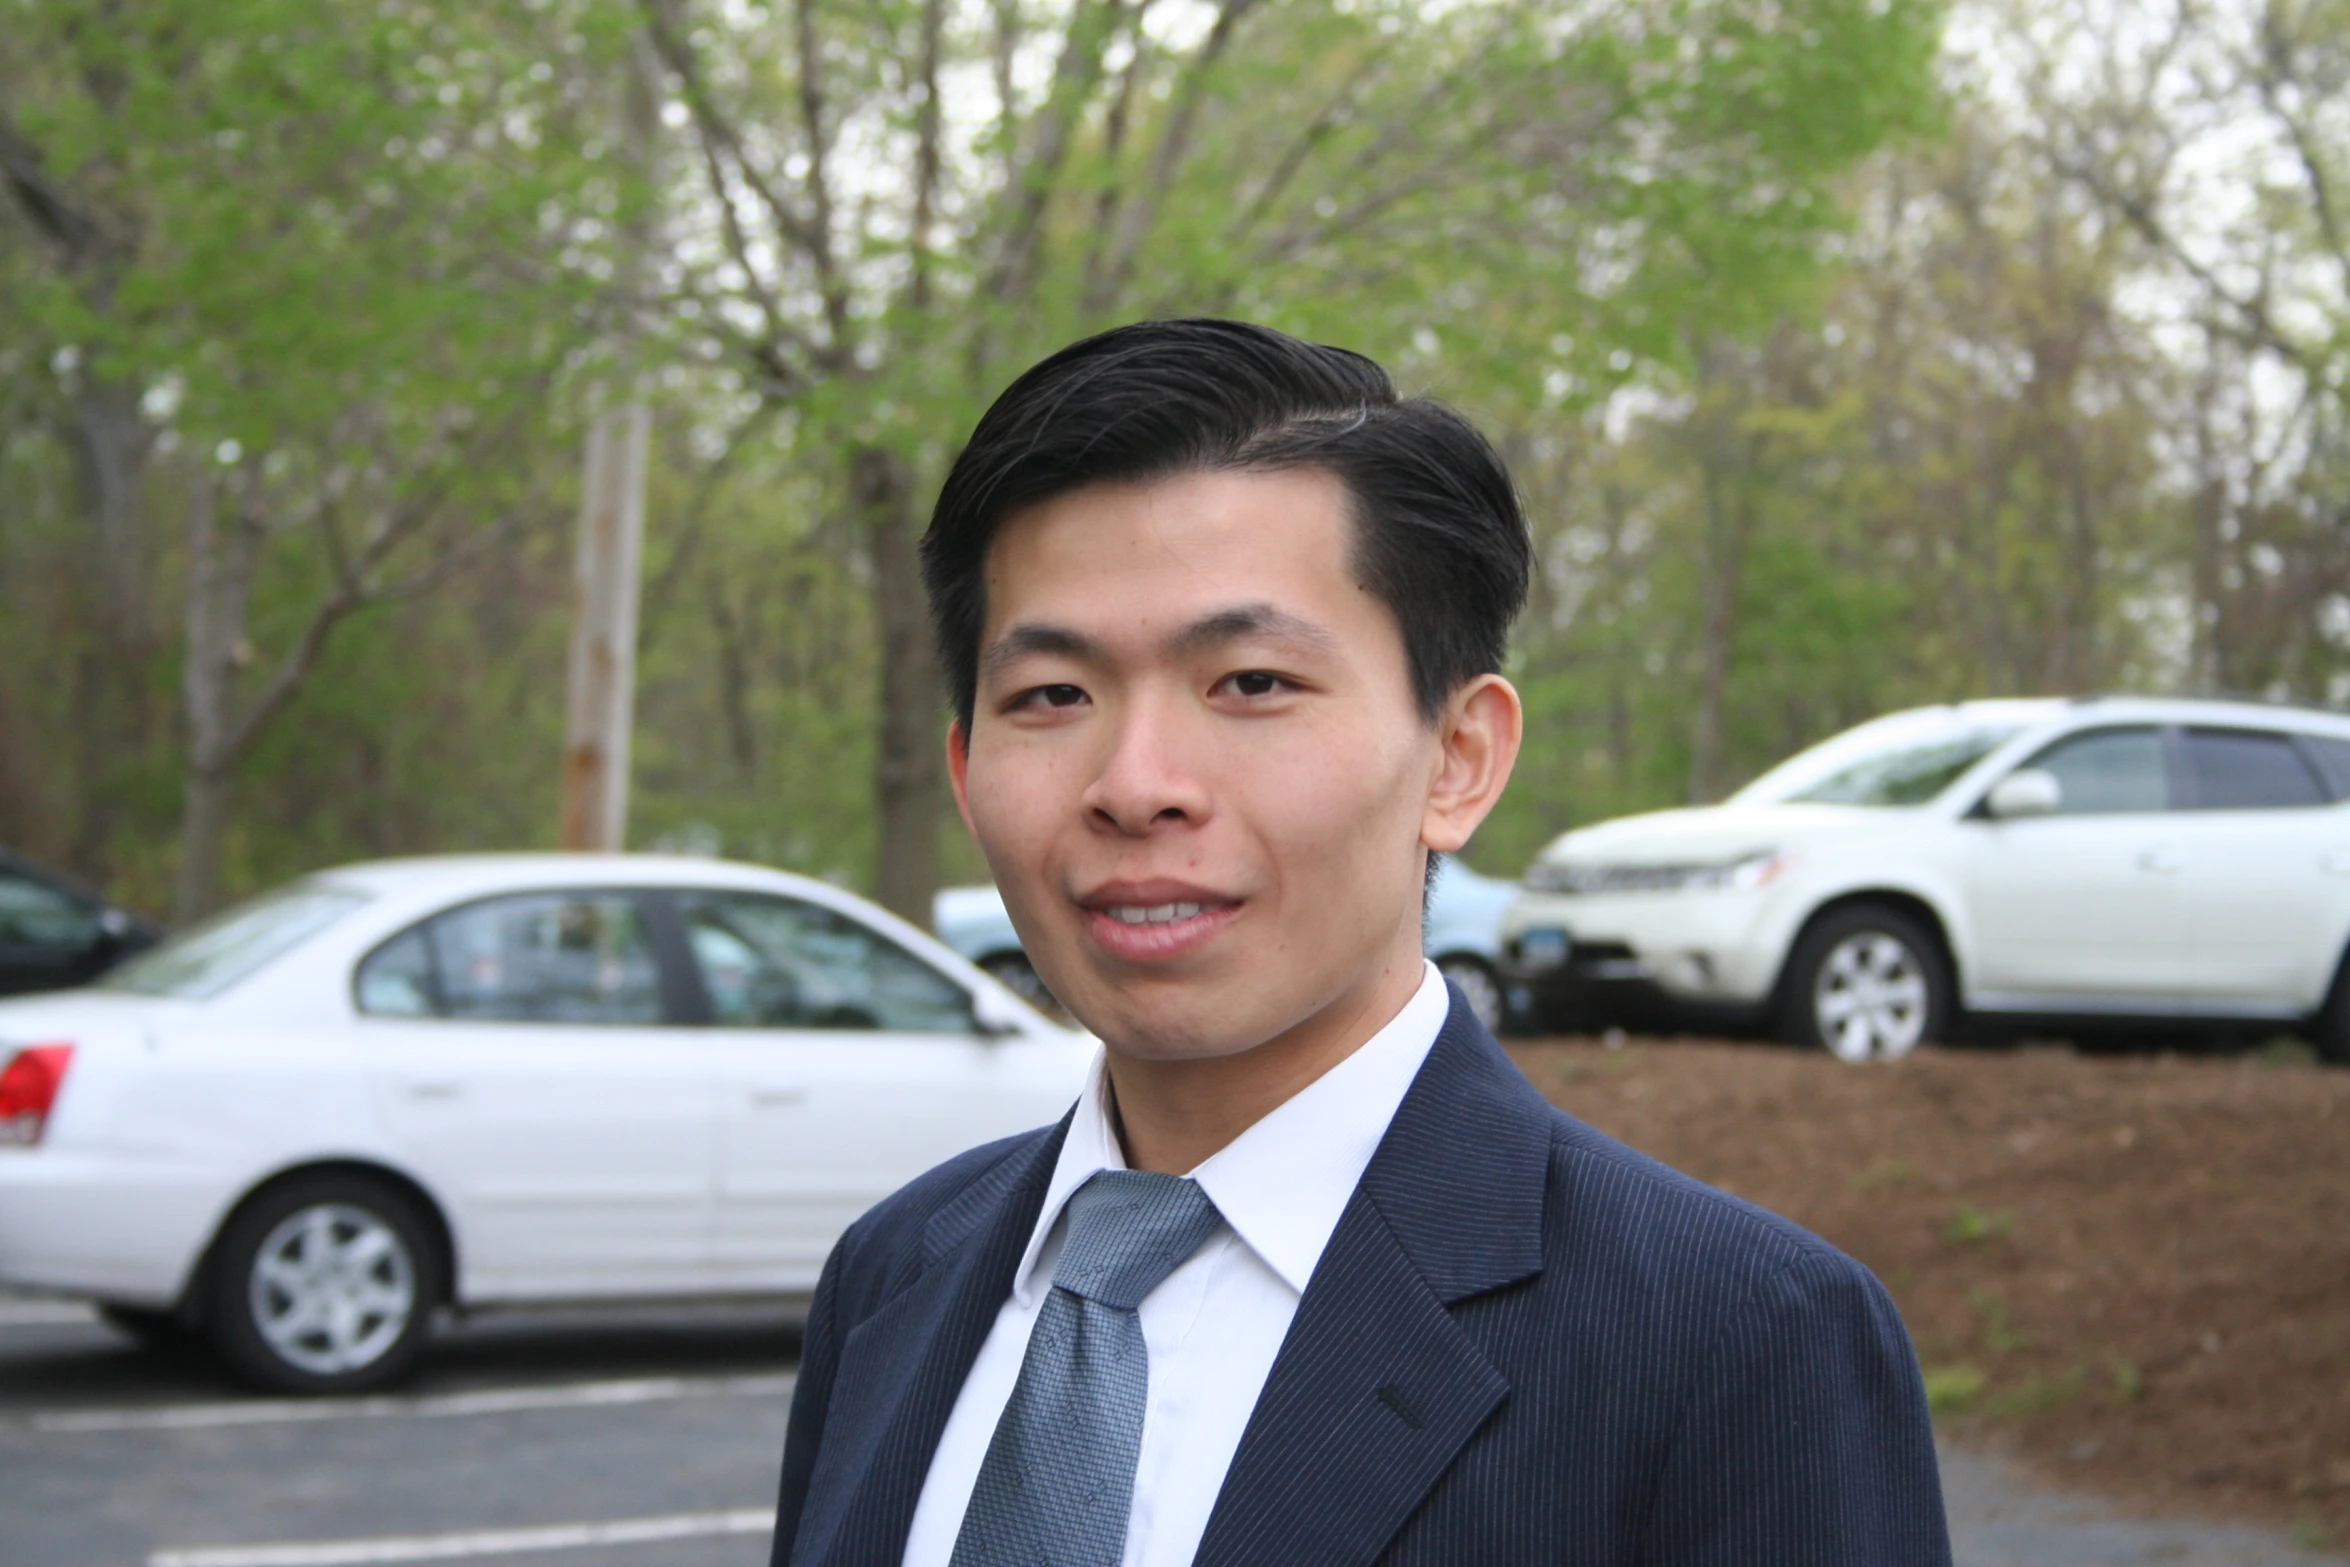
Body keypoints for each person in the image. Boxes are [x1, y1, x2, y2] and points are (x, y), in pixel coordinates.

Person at [767, 319, 1951, 1567]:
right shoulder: (896, 1273)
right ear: (966, 772)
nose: (1136, 785)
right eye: (1052, 696)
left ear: (1458, 758)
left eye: (1252, 682)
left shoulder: (1734, 1343)